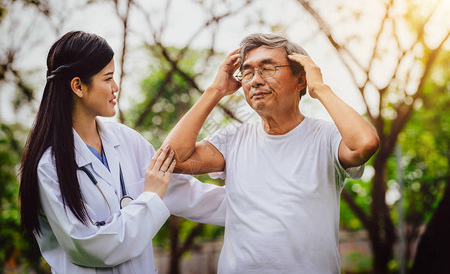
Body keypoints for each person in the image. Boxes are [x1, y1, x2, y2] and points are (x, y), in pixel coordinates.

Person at [163, 33, 380, 273]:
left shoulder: (326, 138)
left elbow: (365, 143)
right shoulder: (233, 139)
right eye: (247, 72)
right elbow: (172, 158)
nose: (255, 80)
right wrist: (215, 90)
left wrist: (319, 88)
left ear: (300, 80)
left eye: (267, 69)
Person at [19, 31, 226, 273]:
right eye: (107, 79)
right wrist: (150, 197)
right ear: (78, 86)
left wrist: (260, 202)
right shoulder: (49, 166)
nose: (115, 87)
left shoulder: (128, 141)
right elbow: (91, 247)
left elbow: (187, 193)